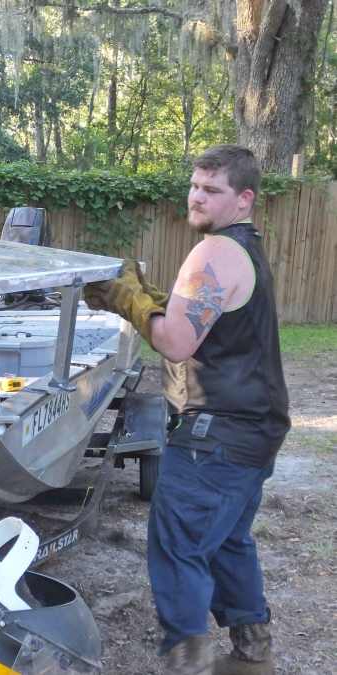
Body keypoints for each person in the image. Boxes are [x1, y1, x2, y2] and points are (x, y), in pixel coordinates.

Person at [84, 145, 289, 675]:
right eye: (195, 186)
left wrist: (126, 299)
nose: (197, 197)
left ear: (244, 199)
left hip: (218, 432)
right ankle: (252, 651)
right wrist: (145, 292)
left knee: (178, 545)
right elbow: (201, 321)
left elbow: (176, 341)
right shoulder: (245, 250)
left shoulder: (215, 253)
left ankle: (187, 661)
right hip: (254, 429)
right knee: (226, 539)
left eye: (212, 190)